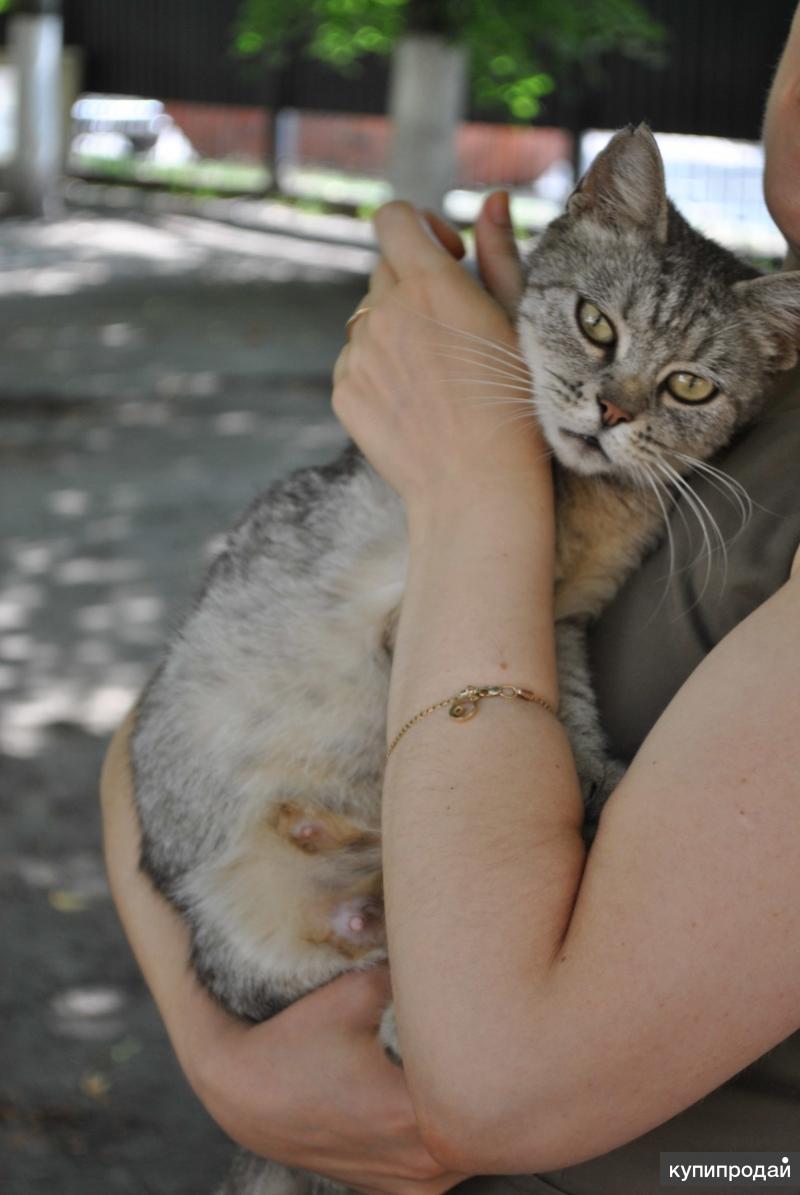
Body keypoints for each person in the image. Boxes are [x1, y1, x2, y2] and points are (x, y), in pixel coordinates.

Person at [100, 10, 800, 1193]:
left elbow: (495, 1090)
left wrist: (477, 494)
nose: (610, 404)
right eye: (593, 334)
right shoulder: (659, 412)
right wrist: (217, 1047)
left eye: (676, 388)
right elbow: (156, 717)